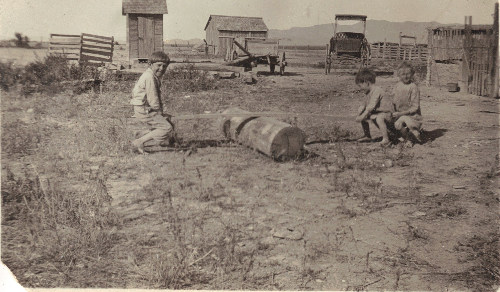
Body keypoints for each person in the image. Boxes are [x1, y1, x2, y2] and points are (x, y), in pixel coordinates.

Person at [130, 51, 174, 154]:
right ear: (150, 64)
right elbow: (153, 98)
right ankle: (138, 142)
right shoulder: (149, 77)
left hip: (143, 108)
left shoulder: (151, 75)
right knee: (167, 128)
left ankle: (140, 133)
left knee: (168, 120)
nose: (161, 69)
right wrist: (159, 112)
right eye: (159, 65)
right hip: (144, 109)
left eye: (164, 66)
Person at [355, 68, 395, 146]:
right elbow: (365, 104)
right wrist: (361, 111)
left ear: (366, 83)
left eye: (360, 86)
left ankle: (386, 139)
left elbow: (371, 105)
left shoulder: (377, 90)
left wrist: (363, 115)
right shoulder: (368, 92)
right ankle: (367, 135)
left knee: (378, 117)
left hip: (387, 114)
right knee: (364, 113)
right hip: (378, 112)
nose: (360, 88)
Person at [392, 62, 422, 145]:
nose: (405, 76)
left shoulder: (413, 87)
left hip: (412, 116)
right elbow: (393, 101)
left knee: (402, 122)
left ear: (412, 74)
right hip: (399, 114)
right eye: (403, 74)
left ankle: (411, 138)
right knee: (396, 124)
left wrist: (401, 113)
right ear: (399, 75)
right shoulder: (397, 86)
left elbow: (415, 107)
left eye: (408, 74)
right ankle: (405, 136)